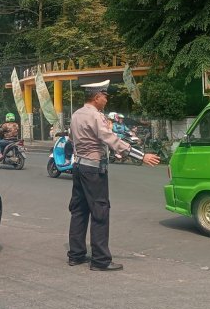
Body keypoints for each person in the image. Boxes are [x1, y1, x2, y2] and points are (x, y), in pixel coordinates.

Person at [67, 80, 161, 271]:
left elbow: (71, 138)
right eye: (105, 96)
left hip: (78, 167)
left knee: (79, 210)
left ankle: (75, 255)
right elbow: (111, 139)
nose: (106, 99)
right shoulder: (96, 116)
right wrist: (141, 156)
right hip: (94, 170)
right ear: (96, 97)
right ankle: (100, 260)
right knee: (100, 212)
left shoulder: (76, 114)